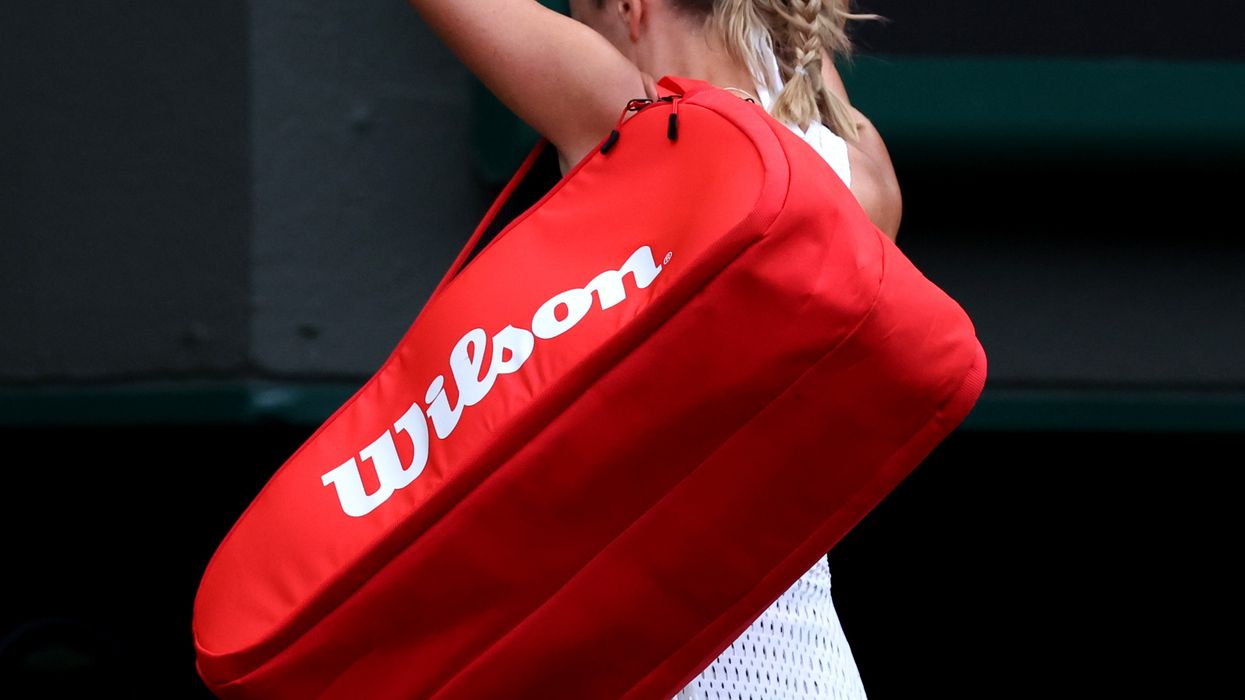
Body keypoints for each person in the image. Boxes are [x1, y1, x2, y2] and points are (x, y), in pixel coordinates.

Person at [406, 1, 901, 696]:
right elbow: (794, 60)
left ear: (630, 8)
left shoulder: (632, 119)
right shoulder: (861, 168)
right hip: (810, 666)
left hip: (644, 665)